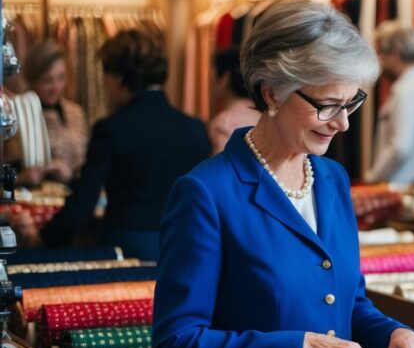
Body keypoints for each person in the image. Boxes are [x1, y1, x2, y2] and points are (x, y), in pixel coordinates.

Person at [152, 0, 414, 348]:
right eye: (328, 106)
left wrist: (393, 333)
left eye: (351, 102)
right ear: (272, 94)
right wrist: (298, 347)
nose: (343, 123)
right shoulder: (206, 194)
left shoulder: (332, 178)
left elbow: (348, 303)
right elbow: (176, 342)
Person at [15, 30, 210, 261]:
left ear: (119, 77)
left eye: (106, 75)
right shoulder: (195, 129)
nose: (105, 85)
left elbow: (82, 205)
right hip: (187, 246)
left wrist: (43, 239)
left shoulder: (112, 129)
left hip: (129, 250)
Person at [365, 21, 414, 185]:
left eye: (381, 53)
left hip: (403, 182)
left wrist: (372, 177)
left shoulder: (406, 90)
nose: (380, 61)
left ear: (395, 53)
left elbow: (400, 147)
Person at [11, 40, 88, 184]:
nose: (56, 88)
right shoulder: (17, 114)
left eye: (61, 78)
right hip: (30, 202)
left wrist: (69, 174)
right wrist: (21, 178)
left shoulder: (75, 113)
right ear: (32, 81)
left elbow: (86, 167)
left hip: (73, 200)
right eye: (47, 81)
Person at [208, 47, 260, 154]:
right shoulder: (261, 115)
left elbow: (221, 168)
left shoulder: (224, 123)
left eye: (212, 76)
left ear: (225, 79)